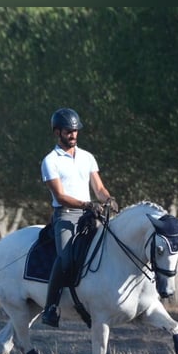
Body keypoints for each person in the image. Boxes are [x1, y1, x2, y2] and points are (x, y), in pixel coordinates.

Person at [40, 108, 118, 327]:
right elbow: (60, 196)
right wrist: (87, 204)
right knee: (65, 258)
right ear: (57, 132)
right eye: (68, 131)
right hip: (66, 216)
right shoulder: (50, 161)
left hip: (90, 213)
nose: (73, 135)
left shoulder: (87, 157)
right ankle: (51, 307)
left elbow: (99, 187)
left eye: (75, 131)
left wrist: (109, 199)